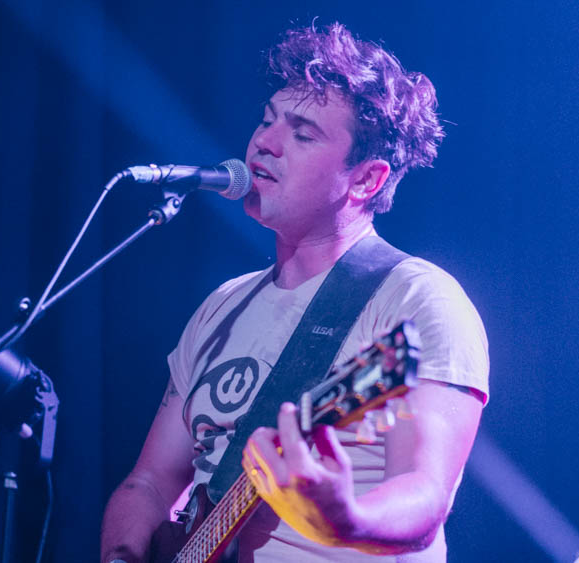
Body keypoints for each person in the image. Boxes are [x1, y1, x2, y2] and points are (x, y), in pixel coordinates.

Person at [101, 22, 488, 563]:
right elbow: (149, 482)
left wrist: (345, 518)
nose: (265, 142)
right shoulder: (222, 307)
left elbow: (425, 496)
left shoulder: (419, 300)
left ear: (366, 180)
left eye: (303, 135)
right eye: (266, 121)